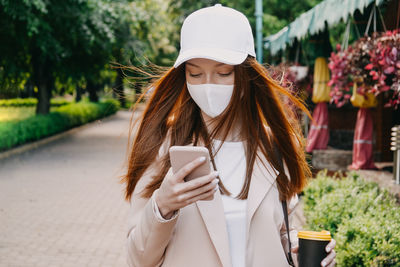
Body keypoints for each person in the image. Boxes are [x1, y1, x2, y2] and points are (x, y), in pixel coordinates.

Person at [122, 4, 336, 267]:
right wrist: (162, 206)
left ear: (246, 75)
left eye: (223, 73)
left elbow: (283, 230)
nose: (208, 85)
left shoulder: (273, 145)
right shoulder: (165, 146)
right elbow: (137, 259)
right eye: (195, 73)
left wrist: (296, 247)